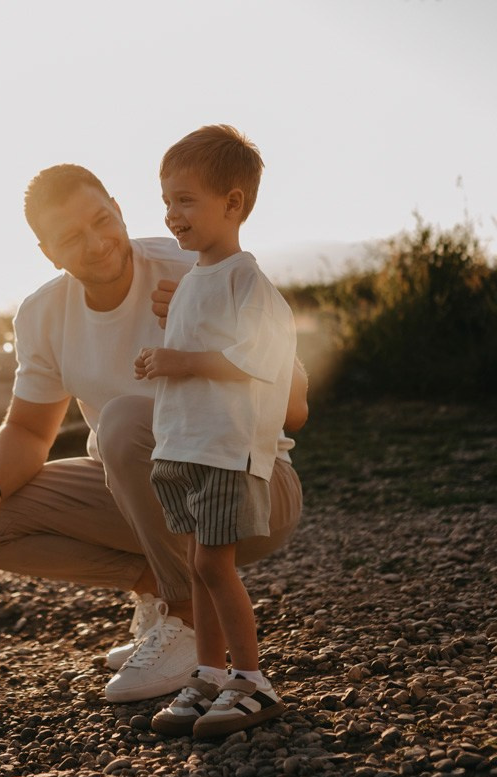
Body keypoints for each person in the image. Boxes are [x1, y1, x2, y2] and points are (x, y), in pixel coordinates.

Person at [0, 162, 307, 706]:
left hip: (250, 489)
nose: (96, 244)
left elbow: (295, 407)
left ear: (118, 210)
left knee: (121, 422)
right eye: (71, 237)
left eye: (101, 220)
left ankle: (186, 617)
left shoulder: (199, 266)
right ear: (48, 252)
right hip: (150, 495)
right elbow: (27, 428)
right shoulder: (43, 314)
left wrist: (207, 326)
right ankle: (164, 592)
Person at [135, 124, 295, 738]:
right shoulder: (193, 281)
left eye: (185, 200)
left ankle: (252, 680)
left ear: (233, 203)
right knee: (196, 565)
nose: (171, 214)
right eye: (166, 201)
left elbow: (257, 360)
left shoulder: (245, 280)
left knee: (214, 564)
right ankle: (206, 673)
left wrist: (179, 361)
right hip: (183, 445)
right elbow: (191, 353)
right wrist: (160, 363)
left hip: (225, 450)